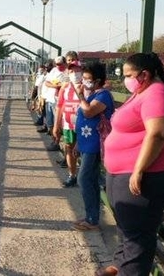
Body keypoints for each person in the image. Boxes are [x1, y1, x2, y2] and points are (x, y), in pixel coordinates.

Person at [97, 52, 164, 276]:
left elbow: (159, 134)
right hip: (121, 171)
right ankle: (120, 265)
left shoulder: (157, 94)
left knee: (138, 233)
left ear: (144, 74)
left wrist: (139, 169)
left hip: (148, 172)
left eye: (128, 75)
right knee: (126, 225)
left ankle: (131, 272)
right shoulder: (141, 92)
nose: (125, 79)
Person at [71, 63, 114, 231]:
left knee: (84, 179)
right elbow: (84, 120)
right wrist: (78, 143)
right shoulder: (94, 94)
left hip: (95, 145)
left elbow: (88, 112)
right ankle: (92, 216)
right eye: (84, 78)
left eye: (88, 79)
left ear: (97, 81)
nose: (84, 81)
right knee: (91, 180)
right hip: (86, 143)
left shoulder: (103, 96)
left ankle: (92, 219)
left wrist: (81, 96)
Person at [53, 59, 83, 187]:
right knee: (69, 148)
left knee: (84, 151)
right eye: (71, 70)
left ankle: (86, 177)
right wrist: (56, 125)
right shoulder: (65, 87)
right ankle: (72, 175)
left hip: (84, 127)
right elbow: (59, 106)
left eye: (77, 70)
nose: (74, 73)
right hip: (68, 124)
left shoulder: (87, 86)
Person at [41, 56, 67, 151]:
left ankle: (57, 142)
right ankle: (54, 140)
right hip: (50, 99)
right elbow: (47, 83)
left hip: (59, 101)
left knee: (58, 123)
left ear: (65, 63)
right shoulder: (54, 71)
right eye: (57, 64)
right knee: (50, 123)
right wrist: (55, 85)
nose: (58, 66)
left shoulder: (68, 72)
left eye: (60, 64)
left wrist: (60, 85)